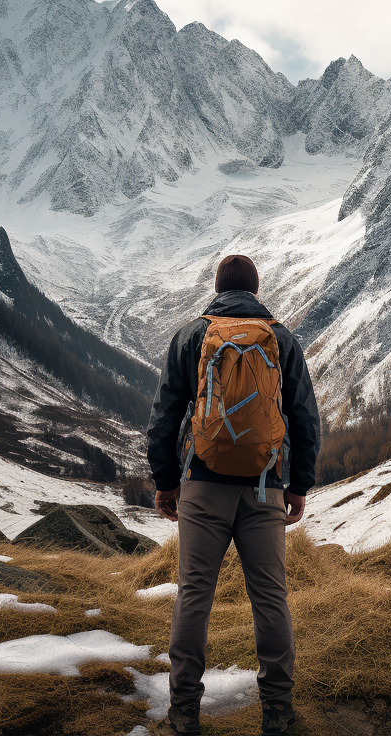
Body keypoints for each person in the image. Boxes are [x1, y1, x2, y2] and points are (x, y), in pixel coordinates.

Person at [146, 253, 321, 735]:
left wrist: (165, 481)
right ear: (257, 290)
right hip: (265, 486)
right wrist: (299, 484)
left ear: (217, 288)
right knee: (270, 597)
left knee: (194, 595)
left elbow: (164, 413)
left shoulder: (191, 335)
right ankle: (278, 713)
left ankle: (184, 712)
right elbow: (305, 417)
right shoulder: (281, 339)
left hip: (201, 484)